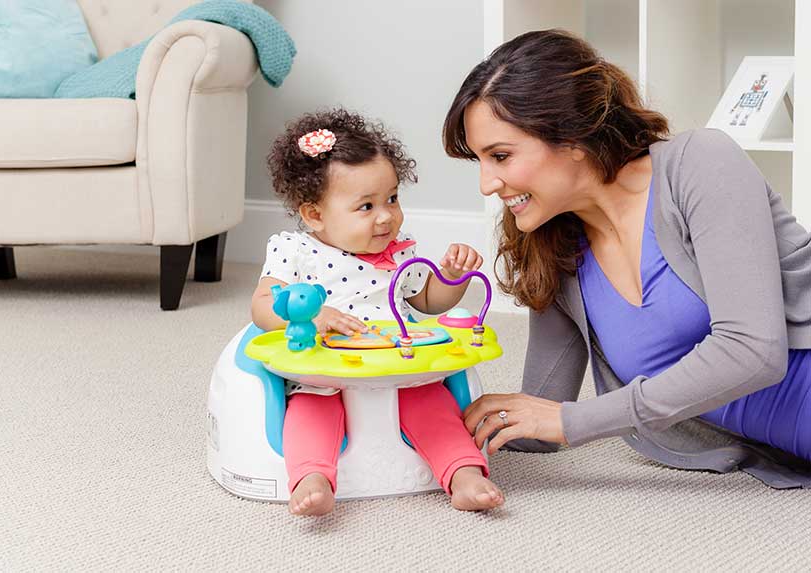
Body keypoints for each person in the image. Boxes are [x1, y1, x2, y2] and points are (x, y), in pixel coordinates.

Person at [443, 30, 811, 486]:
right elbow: (539, 419)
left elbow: (754, 352)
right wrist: (424, 406)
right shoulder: (554, 249)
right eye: (479, 160)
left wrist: (573, 421)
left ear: (572, 137)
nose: (486, 184)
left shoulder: (699, 164)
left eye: (500, 156)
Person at [251, 108, 505, 515]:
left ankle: (463, 473)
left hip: (398, 368)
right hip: (323, 372)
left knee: (434, 405)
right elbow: (263, 305)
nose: (386, 215)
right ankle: (312, 478)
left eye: (392, 198)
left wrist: (452, 277)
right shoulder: (295, 251)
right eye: (366, 207)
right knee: (310, 412)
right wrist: (312, 317)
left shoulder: (399, 251)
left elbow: (427, 301)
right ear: (314, 214)